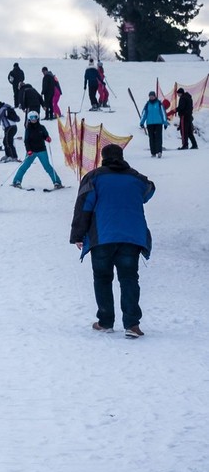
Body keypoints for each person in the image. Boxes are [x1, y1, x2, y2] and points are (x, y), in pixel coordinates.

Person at [70, 143, 154, 338]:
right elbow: (149, 190)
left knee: (102, 278)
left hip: (102, 236)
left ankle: (106, 321)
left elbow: (84, 207)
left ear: (102, 157)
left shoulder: (94, 177)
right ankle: (132, 325)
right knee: (129, 279)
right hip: (132, 237)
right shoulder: (135, 178)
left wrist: (77, 234)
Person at [11, 111, 64, 189]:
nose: (33, 119)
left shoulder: (41, 127)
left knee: (47, 167)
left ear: (37, 118)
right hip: (31, 151)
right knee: (25, 166)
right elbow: (26, 141)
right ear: (29, 119)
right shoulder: (28, 129)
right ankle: (16, 181)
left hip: (41, 150)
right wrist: (28, 150)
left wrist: (47, 138)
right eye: (31, 118)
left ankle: (57, 182)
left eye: (35, 117)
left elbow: (45, 135)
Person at [139, 91, 167, 157]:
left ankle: (159, 151)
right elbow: (144, 114)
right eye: (150, 96)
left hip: (158, 123)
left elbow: (163, 113)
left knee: (158, 137)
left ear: (155, 96)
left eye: (152, 96)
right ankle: (153, 152)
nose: (151, 97)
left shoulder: (159, 104)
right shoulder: (147, 104)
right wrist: (142, 122)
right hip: (150, 123)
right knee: (151, 138)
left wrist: (165, 123)